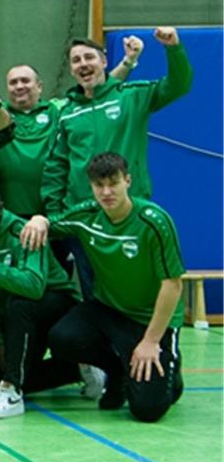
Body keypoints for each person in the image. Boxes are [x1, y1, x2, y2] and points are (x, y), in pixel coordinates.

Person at [31, 153, 187, 422]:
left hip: (151, 321)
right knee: (61, 338)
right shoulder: (86, 215)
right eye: (98, 185)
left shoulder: (154, 221)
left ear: (127, 181)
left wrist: (150, 341)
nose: (106, 192)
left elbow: (172, 285)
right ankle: (117, 370)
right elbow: (51, 223)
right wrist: (39, 219)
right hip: (109, 310)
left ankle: (170, 369)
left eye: (113, 183)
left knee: (148, 410)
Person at [42, 29, 191, 297]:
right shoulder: (67, 113)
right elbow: (56, 166)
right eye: (76, 61)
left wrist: (173, 48)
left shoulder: (132, 96)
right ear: (72, 71)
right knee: (94, 292)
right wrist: (55, 214)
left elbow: (179, 85)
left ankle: (149, 338)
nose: (83, 64)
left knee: (136, 288)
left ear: (104, 61)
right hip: (84, 219)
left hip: (129, 214)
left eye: (89, 57)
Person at [0, 39, 140, 218]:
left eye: (25, 81)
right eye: (13, 82)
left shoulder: (60, 109)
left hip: (54, 211)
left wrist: (128, 62)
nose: (19, 86)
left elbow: (101, 86)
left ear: (39, 86)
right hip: (9, 212)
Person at [0, 183, 82, 419]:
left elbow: (34, 287)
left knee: (20, 305)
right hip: (15, 318)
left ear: (1, 207)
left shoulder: (24, 231)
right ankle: (76, 370)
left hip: (58, 305)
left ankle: (12, 390)